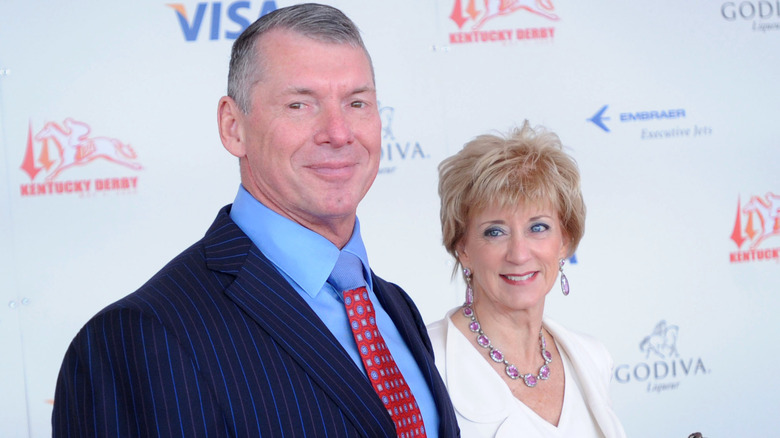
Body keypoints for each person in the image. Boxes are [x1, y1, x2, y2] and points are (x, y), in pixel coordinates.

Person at [52, 4, 459, 437]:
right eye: (300, 104)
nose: (339, 133)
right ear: (233, 127)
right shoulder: (139, 337)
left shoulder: (394, 307)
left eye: (357, 102)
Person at [427, 122, 625, 437]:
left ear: (565, 241)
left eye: (538, 227)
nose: (519, 254)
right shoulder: (426, 364)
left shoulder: (592, 358)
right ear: (462, 247)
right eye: (495, 231)